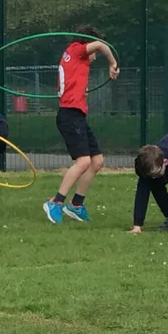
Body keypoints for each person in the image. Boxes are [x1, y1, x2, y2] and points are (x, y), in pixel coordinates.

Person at [43, 26, 119, 224]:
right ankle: (56, 202)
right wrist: (112, 63)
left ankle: (76, 205)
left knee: (97, 161)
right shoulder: (77, 49)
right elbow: (102, 45)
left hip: (76, 114)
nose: (95, 58)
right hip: (69, 115)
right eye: (94, 54)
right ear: (89, 46)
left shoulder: (74, 59)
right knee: (83, 162)